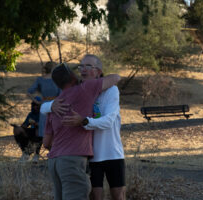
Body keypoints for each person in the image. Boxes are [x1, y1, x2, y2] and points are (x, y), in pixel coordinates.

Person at [41, 54, 125, 200]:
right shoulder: (82, 90)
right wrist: (49, 105)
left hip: (112, 152)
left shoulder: (110, 90)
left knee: (118, 196)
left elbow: (109, 121)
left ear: (99, 71)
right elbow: (45, 108)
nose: (82, 69)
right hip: (90, 157)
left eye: (88, 66)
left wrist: (83, 121)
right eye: (80, 66)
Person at [27, 61, 60, 161]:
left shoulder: (40, 79)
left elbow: (29, 92)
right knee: (55, 130)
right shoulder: (58, 80)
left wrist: (37, 102)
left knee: (45, 131)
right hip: (56, 105)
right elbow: (62, 94)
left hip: (44, 105)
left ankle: (51, 153)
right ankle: (54, 154)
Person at [12, 96, 42, 162]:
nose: (34, 107)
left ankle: (36, 154)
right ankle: (26, 153)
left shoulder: (44, 113)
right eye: (33, 105)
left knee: (38, 130)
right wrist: (18, 126)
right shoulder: (31, 114)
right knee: (17, 130)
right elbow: (25, 125)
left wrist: (36, 124)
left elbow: (45, 126)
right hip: (32, 131)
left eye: (36, 105)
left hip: (42, 132)